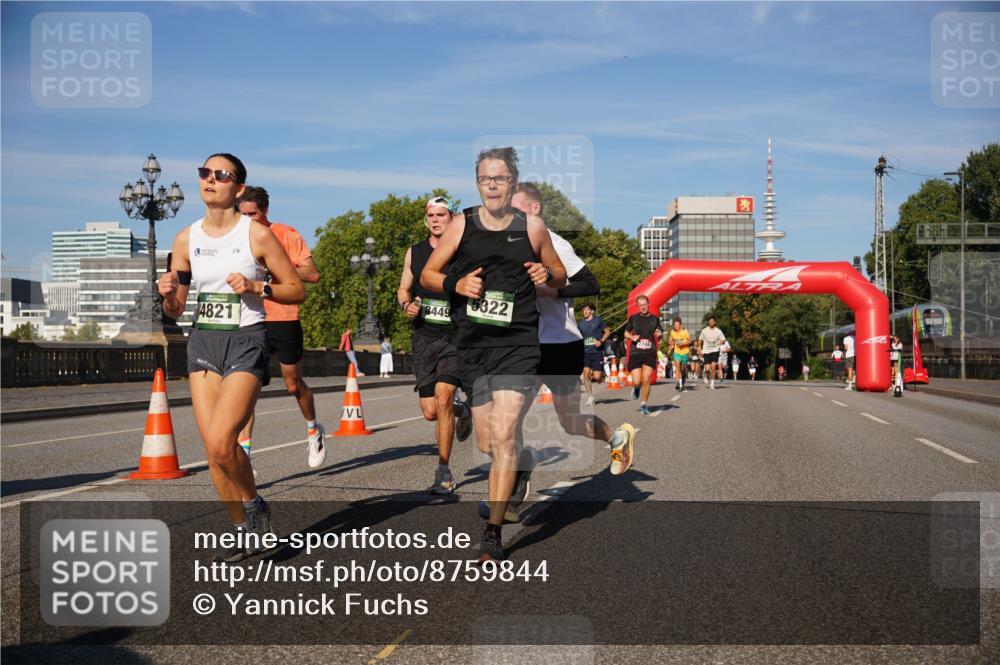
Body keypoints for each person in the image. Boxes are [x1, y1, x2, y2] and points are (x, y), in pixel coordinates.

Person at [421, 147, 567, 562]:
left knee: (502, 437)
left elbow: (559, 273)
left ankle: (492, 532)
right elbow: (429, 274)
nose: (492, 186)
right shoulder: (461, 225)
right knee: (488, 442)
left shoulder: (532, 226)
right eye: (485, 178)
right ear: (477, 183)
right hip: (472, 347)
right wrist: (456, 284)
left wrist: (546, 273)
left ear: (512, 182)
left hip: (518, 344)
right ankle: (521, 459)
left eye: (500, 178)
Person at [158, 153, 305, 563]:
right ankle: (243, 529)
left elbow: (295, 288)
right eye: (204, 172)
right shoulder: (186, 239)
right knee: (212, 451)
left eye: (220, 175)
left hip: (247, 340)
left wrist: (260, 289)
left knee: (224, 441)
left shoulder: (255, 235)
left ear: (238, 188)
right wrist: (169, 294)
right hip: (203, 341)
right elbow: (177, 308)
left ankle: (256, 505)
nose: (210, 179)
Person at [511, 182, 636, 478]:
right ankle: (516, 475)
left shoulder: (555, 243)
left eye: (516, 209)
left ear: (535, 209)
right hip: (522, 344)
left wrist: (551, 292)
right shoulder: (504, 246)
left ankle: (616, 438)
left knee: (569, 421)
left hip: (559, 342)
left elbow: (591, 285)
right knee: (508, 417)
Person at [235, 186, 325, 474]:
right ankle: (245, 456)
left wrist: (275, 272)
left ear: (265, 211)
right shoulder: (234, 238)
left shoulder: (286, 234)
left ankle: (313, 431)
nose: (249, 219)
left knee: (292, 384)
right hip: (249, 319)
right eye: (243, 213)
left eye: (254, 214)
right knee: (248, 389)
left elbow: (311, 274)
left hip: (283, 317)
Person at [396, 195, 472, 495]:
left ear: (451, 218)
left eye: (442, 214)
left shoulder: (464, 252)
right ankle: (461, 412)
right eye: (432, 216)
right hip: (425, 338)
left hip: (455, 336)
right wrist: (406, 305)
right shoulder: (414, 252)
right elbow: (403, 289)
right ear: (427, 219)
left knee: (443, 399)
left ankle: (443, 471)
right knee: (430, 411)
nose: (436, 220)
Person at [624, 295, 662, 414]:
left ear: (648, 304)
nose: (643, 307)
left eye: (644, 304)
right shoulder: (633, 318)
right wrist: (632, 337)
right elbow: (625, 333)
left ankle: (643, 404)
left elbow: (660, 331)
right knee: (636, 381)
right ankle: (636, 388)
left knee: (646, 379)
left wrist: (659, 333)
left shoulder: (655, 319)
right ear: (638, 306)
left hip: (649, 352)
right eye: (640, 305)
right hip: (636, 352)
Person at [578, 303, 610, 406]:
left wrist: (601, 341)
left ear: (592, 311)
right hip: (585, 352)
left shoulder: (598, 320)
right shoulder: (581, 324)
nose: (585, 312)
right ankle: (590, 397)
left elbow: (607, 332)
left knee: (597, 377)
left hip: (597, 351)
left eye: (587, 310)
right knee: (586, 375)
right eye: (584, 310)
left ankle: (601, 376)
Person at [696, 316, 726, 391]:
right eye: (710, 321)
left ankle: (712, 384)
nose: (711, 322)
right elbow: (700, 340)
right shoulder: (704, 331)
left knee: (713, 367)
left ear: (715, 322)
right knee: (707, 369)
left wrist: (721, 342)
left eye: (713, 321)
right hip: (706, 351)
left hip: (715, 350)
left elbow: (723, 339)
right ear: (708, 322)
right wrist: (699, 348)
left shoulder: (718, 331)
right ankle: (705, 375)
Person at [668, 318, 692, 391]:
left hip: (685, 352)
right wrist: (671, 343)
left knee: (682, 368)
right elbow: (670, 341)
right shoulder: (672, 332)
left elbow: (690, 340)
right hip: (677, 352)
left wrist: (683, 343)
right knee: (677, 366)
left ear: (680, 325)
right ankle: (678, 383)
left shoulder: (685, 331)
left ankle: (684, 377)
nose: (676, 326)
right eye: (675, 324)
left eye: (677, 324)